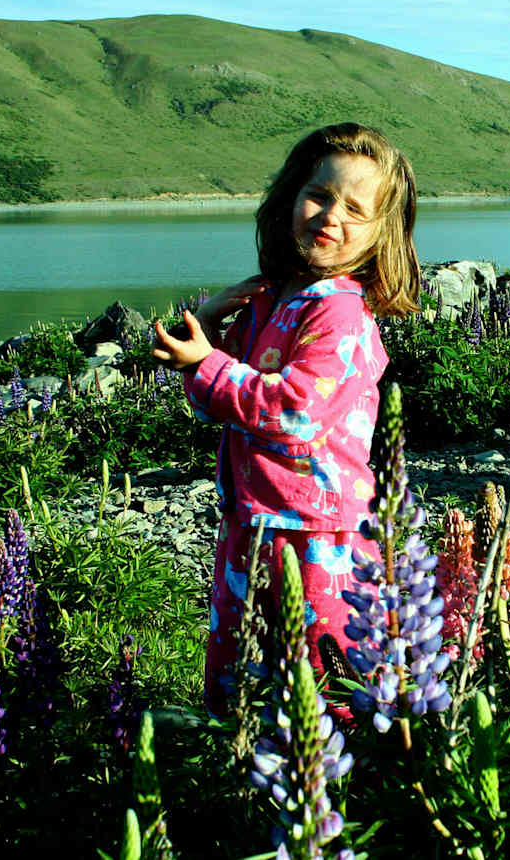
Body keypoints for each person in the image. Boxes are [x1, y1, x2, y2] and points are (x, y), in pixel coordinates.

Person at [152, 122, 420, 715]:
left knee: (327, 682)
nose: (331, 215)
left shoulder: (342, 314)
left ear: (380, 235)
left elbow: (295, 412)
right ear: (288, 199)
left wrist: (211, 366)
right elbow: (212, 401)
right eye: (320, 195)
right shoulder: (271, 300)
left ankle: (341, 793)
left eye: (356, 208)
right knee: (241, 680)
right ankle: (241, 791)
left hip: (320, 532)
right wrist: (211, 329)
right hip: (250, 523)